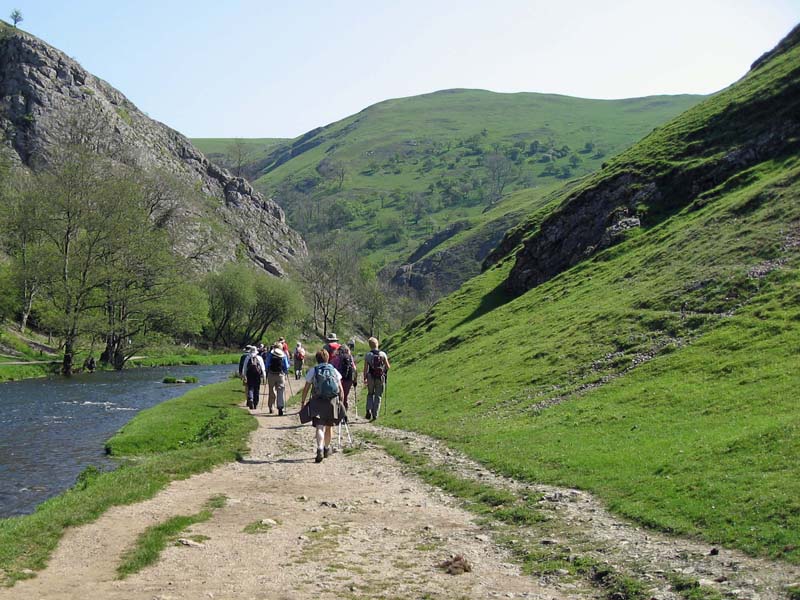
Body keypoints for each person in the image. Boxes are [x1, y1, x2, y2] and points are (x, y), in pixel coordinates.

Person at [300, 349, 344, 463]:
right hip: (332, 401)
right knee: (329, 426)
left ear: (317, 359)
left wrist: (303, 402)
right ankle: (326, 448)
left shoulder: (313, 370)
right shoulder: (333, 370)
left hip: (317, 401)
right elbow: (340, 389)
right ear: (328, 358)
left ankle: (319, 448)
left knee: (319, 426)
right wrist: (341, 402)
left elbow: (306, 388)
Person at [363, 337, 390, 421]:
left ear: (370, 345)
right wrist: (383, 371)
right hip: (380, 377)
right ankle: (375, 414)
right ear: (377, 344)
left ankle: (368, 409)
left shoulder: (368, 355)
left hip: (370, 376)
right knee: (378, 395)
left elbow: (365, 368)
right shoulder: (383, 354)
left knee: (370, 394)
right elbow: (388, 366)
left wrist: (365, 378)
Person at [264, 345, 290, 415]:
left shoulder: (270, 355)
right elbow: (286, 366)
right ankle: (280, 407)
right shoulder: (283, 355)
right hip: (280, 375)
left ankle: (271, 407)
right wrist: (286, 372)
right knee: (280, 391)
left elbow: (267, 364)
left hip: (271, 375)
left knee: (271, 391)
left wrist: (267, 371)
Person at [241, 346, 266, 410]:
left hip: (249, 375)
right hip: (257, 375)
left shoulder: (248, 357)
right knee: (257, 389)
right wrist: (264, 377)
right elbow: (263, 368)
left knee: (250, 387)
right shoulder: (259, 358)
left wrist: (244, 375)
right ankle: (255, 403)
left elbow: (244, 367)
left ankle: (251, 398)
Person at [335, 344, 357, 411]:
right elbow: (354, 369)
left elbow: (334, 368)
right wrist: (355, 380)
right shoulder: (350, 357)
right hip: (349, 379)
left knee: (339, 395)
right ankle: (345, 411)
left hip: (339, 379)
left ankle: (339, 411)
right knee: (345, 395)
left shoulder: (337, 358)